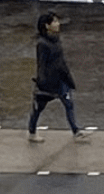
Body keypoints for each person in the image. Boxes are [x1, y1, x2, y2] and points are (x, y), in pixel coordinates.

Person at [27, 12, 89, 143]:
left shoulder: (56, 40)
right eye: (54, 22)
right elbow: (41, 64)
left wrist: (68, 77)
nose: (58, 24)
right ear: (47, 25)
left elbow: (61, 61)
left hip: (61, 80)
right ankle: (32, 132)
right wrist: (42, 82)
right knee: (39, 108)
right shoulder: (42, 44)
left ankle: (76, 131)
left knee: (69, 104)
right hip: (48, 83)